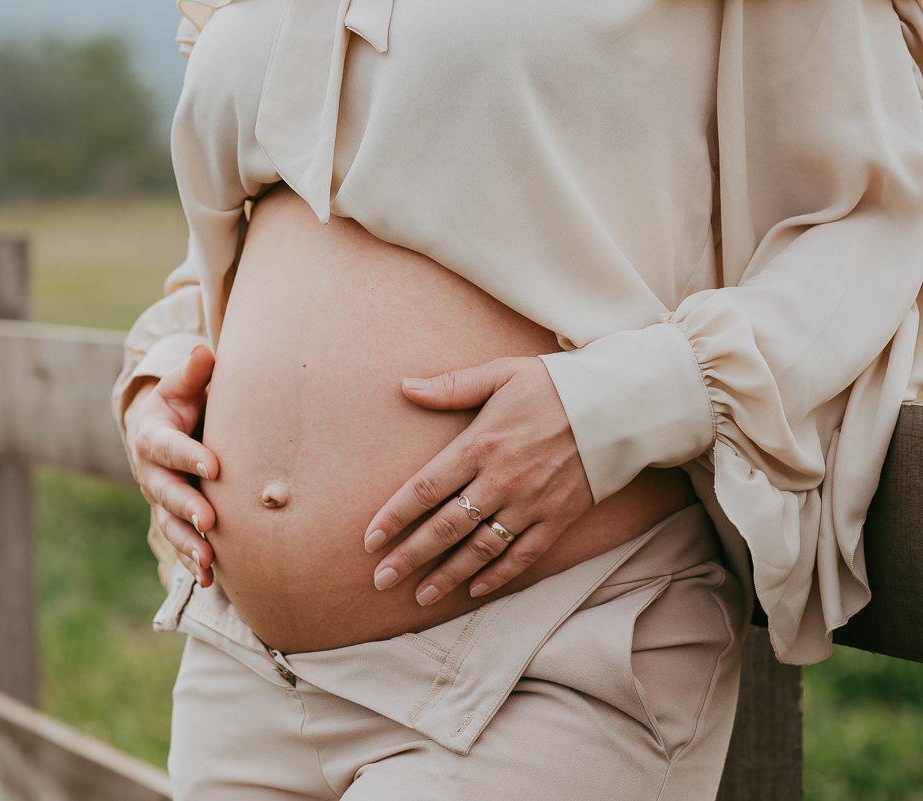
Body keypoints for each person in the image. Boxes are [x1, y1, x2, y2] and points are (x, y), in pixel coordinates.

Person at [112, 1, 923, 798]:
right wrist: (163, 374)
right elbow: (236, 234)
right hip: (240, 664)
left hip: (547, 652)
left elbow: (874, 222)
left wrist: (619, 407)